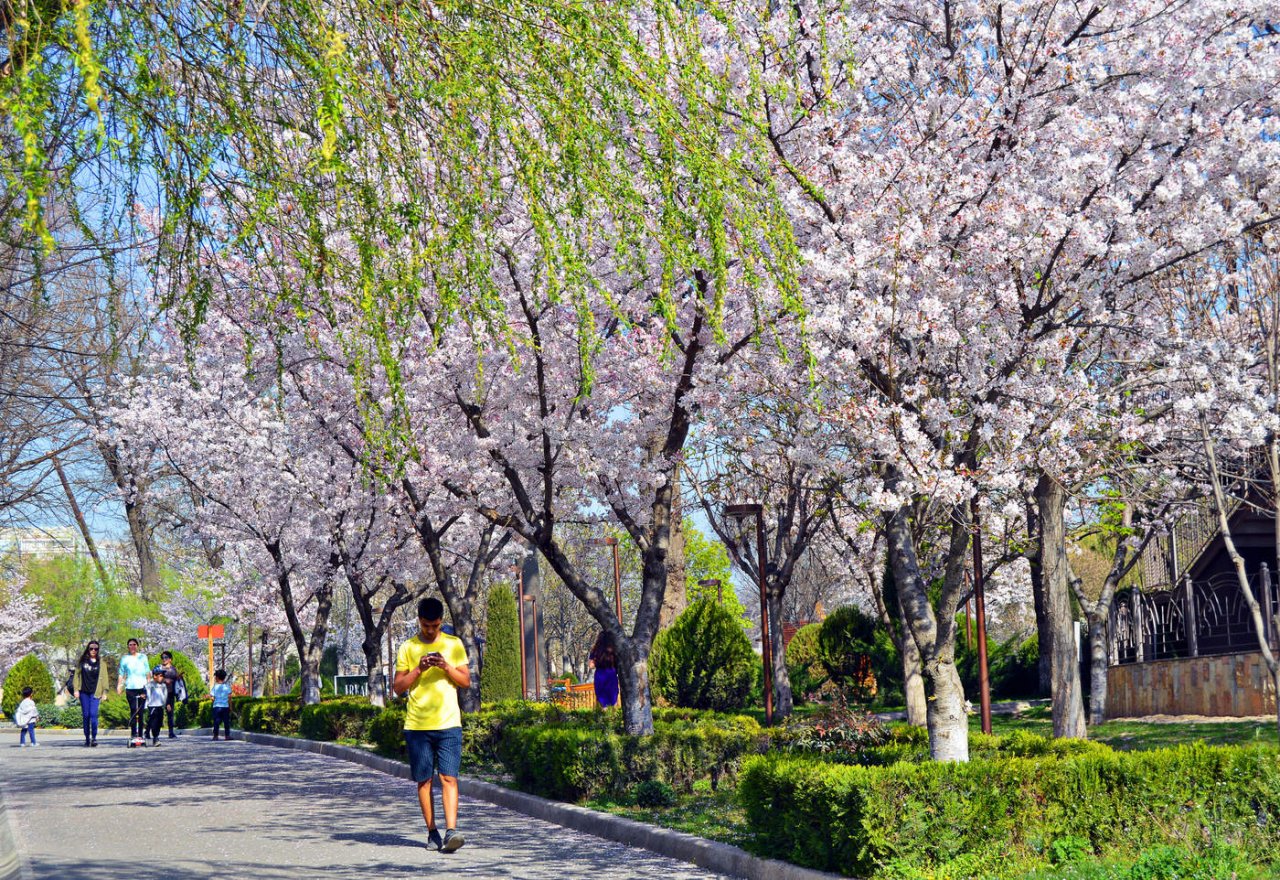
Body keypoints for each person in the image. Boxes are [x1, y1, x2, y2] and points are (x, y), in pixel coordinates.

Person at [392, 597, 470, 854]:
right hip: (417, 726)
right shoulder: (407, 648)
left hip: (449, 723)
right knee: (424, 780)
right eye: (426, 625)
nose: (430, 630)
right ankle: (432, 832)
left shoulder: (454, 644)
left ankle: (451, 831)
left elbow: (465, 681)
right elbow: (398, 687)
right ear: (419, 621)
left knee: (449, 777)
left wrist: (446, 666)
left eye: (435, 626)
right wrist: (419, 669)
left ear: (441, 622)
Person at [72, 640, 109, 747]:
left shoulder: (101, 663)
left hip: (95, 692)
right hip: (83, 692)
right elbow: (76, 676)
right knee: (86, 715)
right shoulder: (82, 661)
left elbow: (105, 678)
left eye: (96, 649)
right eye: (91, 648)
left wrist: (105, 691)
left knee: (93, 715)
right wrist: (75, 690)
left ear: (98, 650)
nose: (93, 650)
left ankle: (94, 737)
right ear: (88, 649)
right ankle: (87, 737)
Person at [117, 638, 150, 747]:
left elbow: (147, 672)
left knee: (140, 712)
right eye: (130, 645)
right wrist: (119, 685)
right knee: (133, 710)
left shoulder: (143, 657)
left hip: (142, 687)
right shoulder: (125, 659)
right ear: (128, 647)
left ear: (137, 646)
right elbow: (121, 673)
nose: (132, 646)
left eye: (134, 644)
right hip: (130, 687)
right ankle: (133, 734)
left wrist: (149, 685)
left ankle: (140, 734)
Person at [158, 651, 186, 739]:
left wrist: (179, 677)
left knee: (170, 713)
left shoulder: (173, 669)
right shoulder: (159, 668)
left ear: (170, 659)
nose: (164, 659)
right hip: (161, 693)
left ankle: (171, 732)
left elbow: (175, 678)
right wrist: (164, 680)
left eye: (166, 657)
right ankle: (152, 732)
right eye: (162, 657)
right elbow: (156, 678)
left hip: (170, 693)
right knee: (158, 713)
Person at [589, 630, 619, 708]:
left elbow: (591, 665)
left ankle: (605, 716)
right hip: (611, 673)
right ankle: (614, 716)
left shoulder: (595, 650)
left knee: (602, 698)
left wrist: (597, 661)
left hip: (600, 674)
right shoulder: (614, 650)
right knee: (613, 697)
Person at [144, 667, 168, 747]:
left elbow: (165, 696)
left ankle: (154, 735)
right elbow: (146, 695)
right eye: (160, 675)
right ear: (154, 676)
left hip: (160, 706)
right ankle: (155, 738)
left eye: (163, 676)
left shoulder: (163, 686)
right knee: (153, 723)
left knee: (159, 723)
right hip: (152, 706)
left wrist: (166, 704)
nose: (162, 677)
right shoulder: (150, 685)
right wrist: (145, 705)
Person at [210, 669, 232, 741]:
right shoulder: (227, 687)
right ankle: (227, 736)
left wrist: (215, 701)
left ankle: (215, 736)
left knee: (216, 722)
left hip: (216, 707)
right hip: (225, 707)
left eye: (215, 677)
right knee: (226, 722)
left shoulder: (215, 687)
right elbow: (229, 697)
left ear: (217, 677)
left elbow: (212, 697)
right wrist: (230, 707)